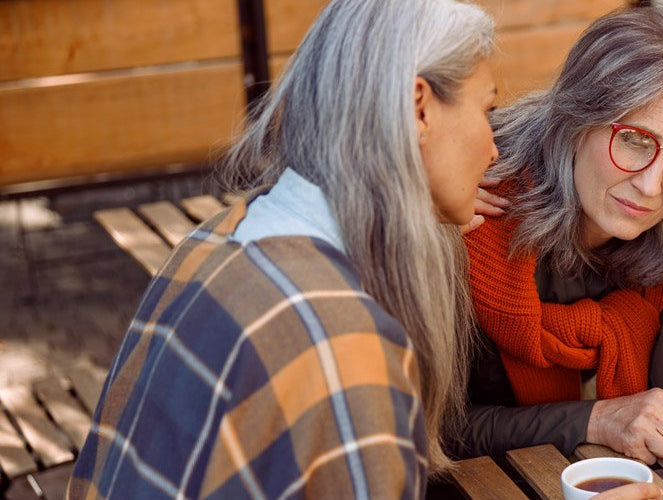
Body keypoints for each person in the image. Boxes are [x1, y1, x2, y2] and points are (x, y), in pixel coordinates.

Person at [66, 0, 504, 497]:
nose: (493, 148)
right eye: (488, 109)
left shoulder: (214, 237)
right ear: (417, 107)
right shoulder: (343, 338)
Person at [457, 5, 663, 465]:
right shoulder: (472, 209)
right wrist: (594, 420)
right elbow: (431, 426)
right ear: (575, 121)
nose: (652, 186)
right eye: (634, 140)